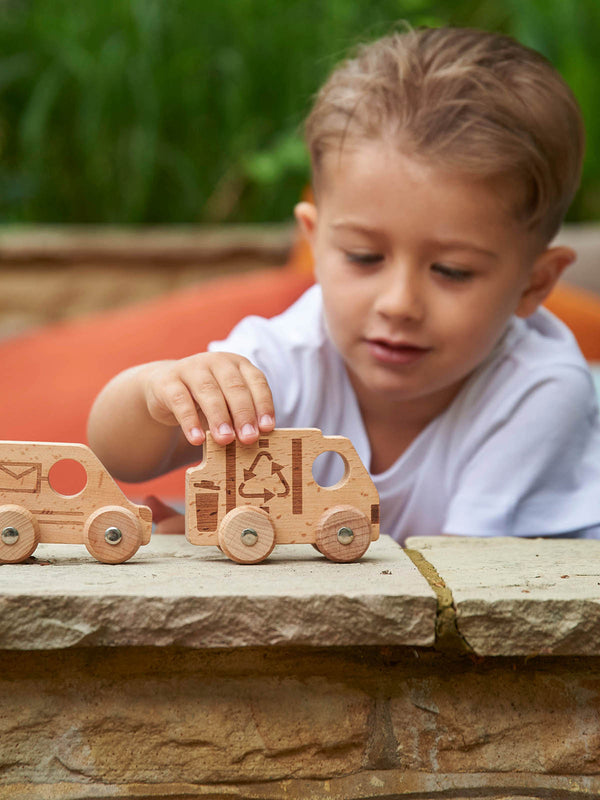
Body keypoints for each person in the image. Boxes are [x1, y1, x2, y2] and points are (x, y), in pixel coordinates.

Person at [88, 26, 600, 543]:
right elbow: (117, 457)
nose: (399, 304)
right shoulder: (289, 355)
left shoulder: (541, 392)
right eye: (363, 257)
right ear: (315, 242)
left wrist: (221, 552)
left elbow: (467, 594)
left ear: (534, 284)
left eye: (452, 271)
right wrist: (157, 391)